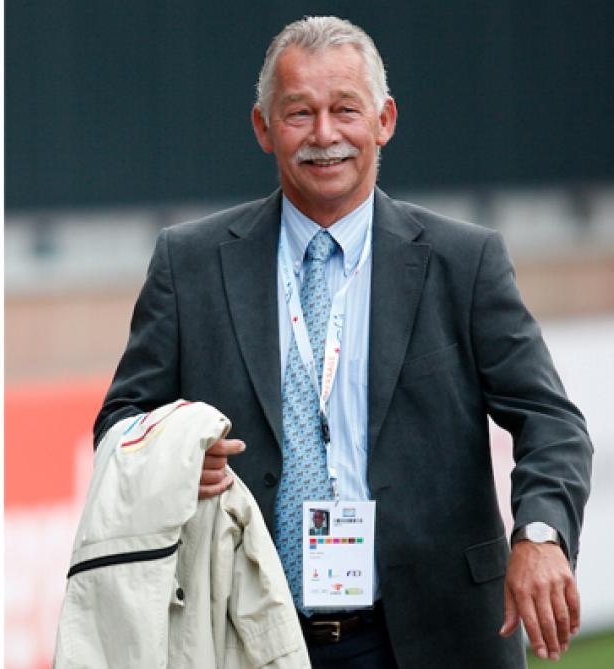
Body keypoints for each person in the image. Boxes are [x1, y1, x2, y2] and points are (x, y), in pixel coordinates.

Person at [95, 16, 591, 668]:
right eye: (299, 112)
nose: (324, 135)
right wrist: (173, 458)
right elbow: (120, 425)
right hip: (246, 636)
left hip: (436, 637)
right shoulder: (188, 265)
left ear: (383, 120)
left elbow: (551, 421)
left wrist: (540, 534)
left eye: (344, 110)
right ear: (263, 127)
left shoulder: (462, 262)